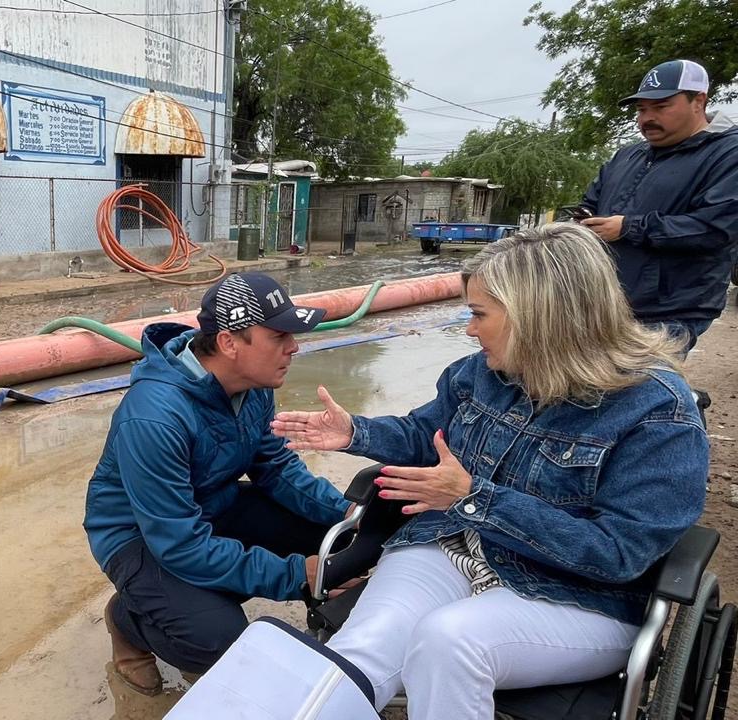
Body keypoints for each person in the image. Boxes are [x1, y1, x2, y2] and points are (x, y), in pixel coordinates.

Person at [270, 224, 709, 720]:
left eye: (479, 313)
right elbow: (426, 436)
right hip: (452, 544)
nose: (469, 329)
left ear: (540, 317)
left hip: (578, 594)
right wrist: (355, 432)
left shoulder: (657, 414)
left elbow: (619, 555)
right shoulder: (480, 372)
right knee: (357, 655)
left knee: (451, 643)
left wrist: (474, 498)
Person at [83, 272, 350, 696]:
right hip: (140, 536)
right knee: (219, 639)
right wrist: (296, 573)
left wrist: (347, 514)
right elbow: (180, 544)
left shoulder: (253, 386)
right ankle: (128, 621)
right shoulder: (155, 417)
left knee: (336, 542)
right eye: (280, 335)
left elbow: (276, 467)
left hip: (209, 506)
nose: (294, 347)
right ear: (228, 343)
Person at [578, 59, 738, 352]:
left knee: (633, 387)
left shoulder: (728, 153)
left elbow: (715, 229)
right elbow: (587, 205)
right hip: (605, 304)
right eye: (641, 109)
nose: (646, 118)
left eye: (660, 107)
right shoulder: (627, 156)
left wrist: (628, 228)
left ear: (698, 101)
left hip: (670, 310)